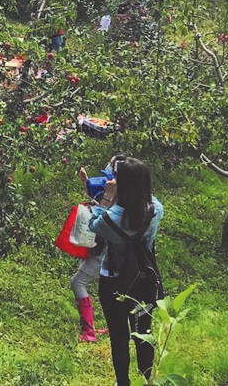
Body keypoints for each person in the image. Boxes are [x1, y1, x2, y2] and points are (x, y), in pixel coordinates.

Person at [89, 157, 165, 386]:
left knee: (119, 335)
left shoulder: (109, 219)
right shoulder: (156, 210)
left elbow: (93, 224)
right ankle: (146, 378)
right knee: (144, 331)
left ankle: (122, 381)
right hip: (145, 279)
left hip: (113, 281)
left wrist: (108, 197)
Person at [69, 163, 115, 342]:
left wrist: (107, 197)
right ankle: (115, 327)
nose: (107, 181)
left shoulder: (114, 202)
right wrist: (85, 181)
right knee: (113, 288)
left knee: (78, 282)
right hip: (111, 252)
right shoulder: (125, 199)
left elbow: (100, 219)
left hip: (105, 252)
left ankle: (88, 332)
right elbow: (95, 196)